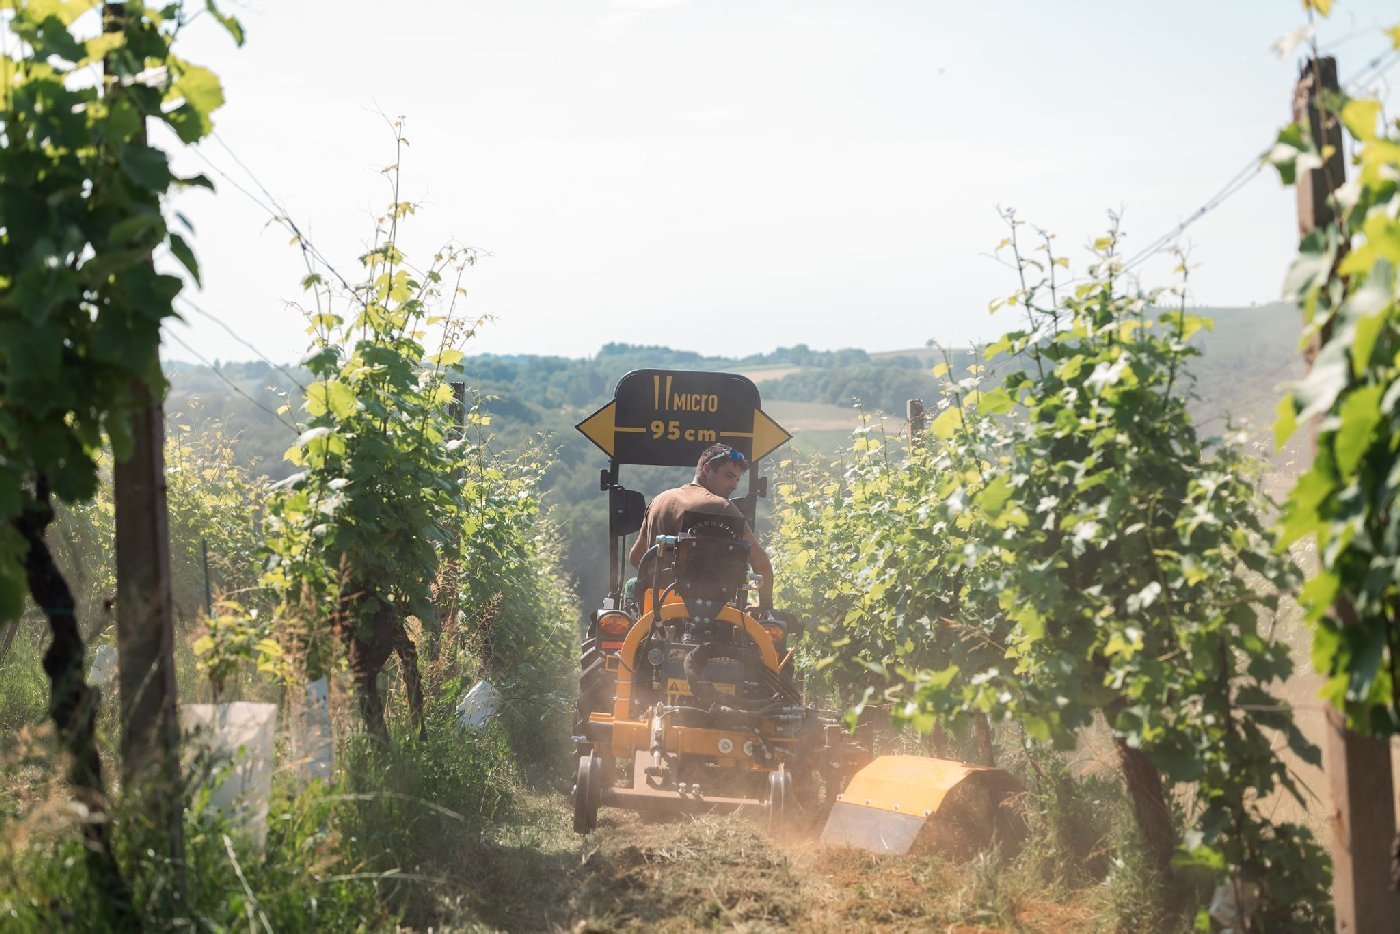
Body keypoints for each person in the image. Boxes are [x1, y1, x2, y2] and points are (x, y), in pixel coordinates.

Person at [629, 443, 774, 610]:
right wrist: (765, 607)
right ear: (706, 469)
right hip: (705, 616)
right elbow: (761, 564)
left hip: (655, 612)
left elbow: (636, 557)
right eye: (728, 476)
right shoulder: (722, 507)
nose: (734, 485)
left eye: (737, 479)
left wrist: (661, 579)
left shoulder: (658, 501)